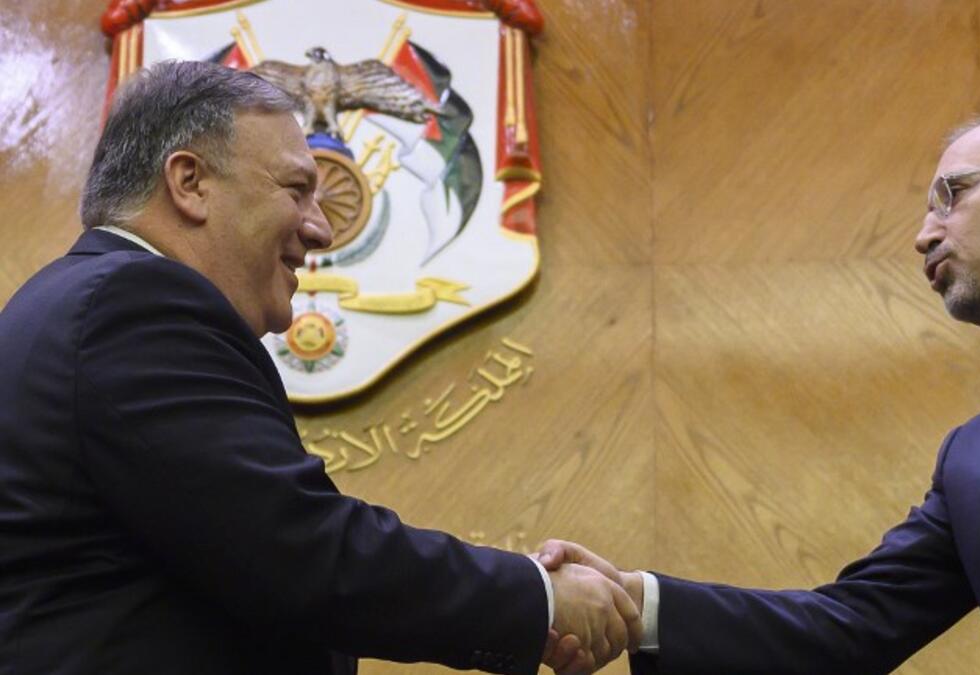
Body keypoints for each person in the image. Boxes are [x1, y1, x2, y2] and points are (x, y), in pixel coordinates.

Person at [0, 60, 640, 675]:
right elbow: (296, 549)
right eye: (296, 190)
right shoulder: (133, 306)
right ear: (189, 182)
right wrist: (539, 599)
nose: (321, 229)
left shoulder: (71, 302)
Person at [538, 105, 980, 674]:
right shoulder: (974, 459)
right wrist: (636, 603)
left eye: (952, 195)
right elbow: (850, 627)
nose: (923, 237)